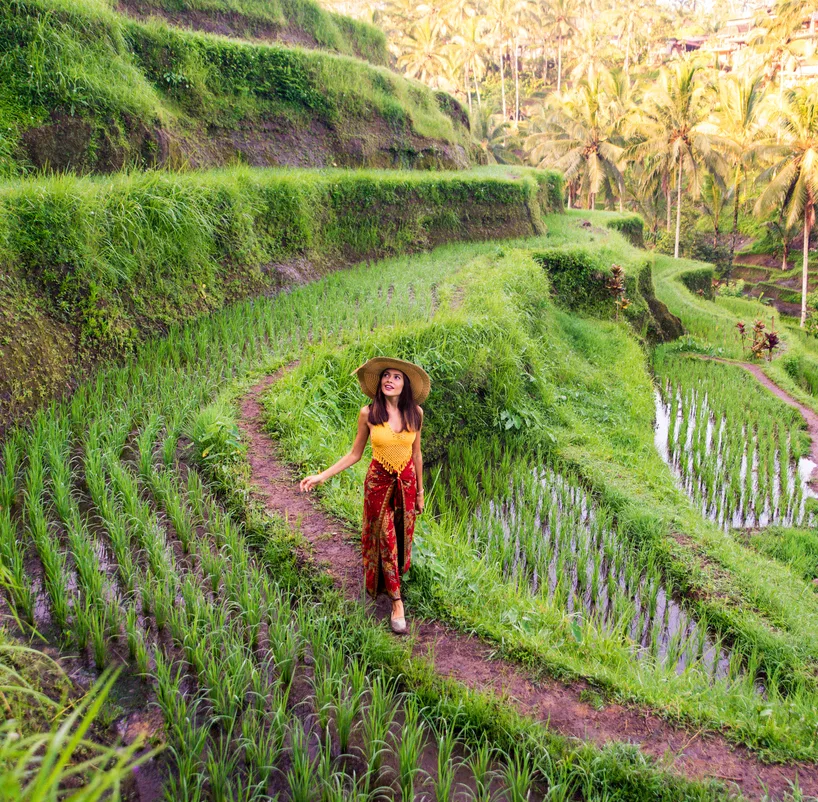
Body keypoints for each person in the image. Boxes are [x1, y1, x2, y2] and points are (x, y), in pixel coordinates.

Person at [300, 357, 429, 634]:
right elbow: (355, 454)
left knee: (400, 537)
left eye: (396, 377)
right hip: (378, 486)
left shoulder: (415, 413)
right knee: (384, 537)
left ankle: (391, 582)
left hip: (405, 487)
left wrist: (419, 492)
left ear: (404, 384)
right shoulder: (368, 414)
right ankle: (397, 602)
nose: (389, 380)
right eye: (386, 376)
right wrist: (322, 476)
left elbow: (416, 455)